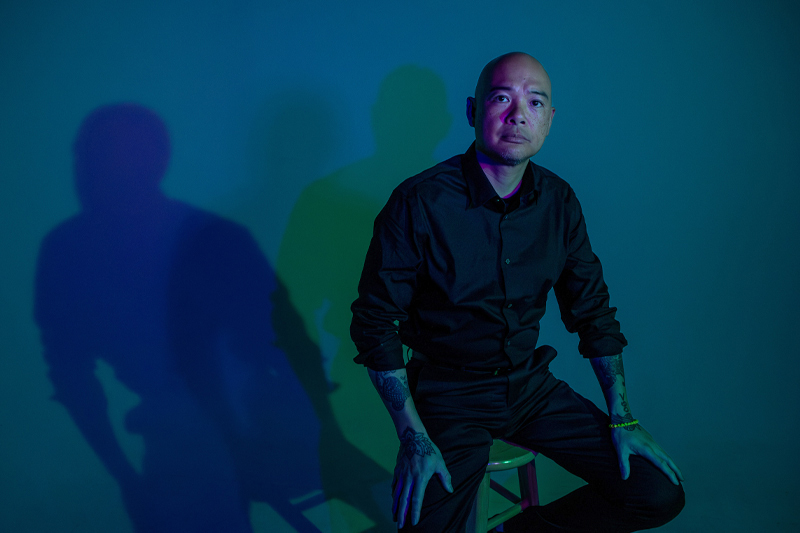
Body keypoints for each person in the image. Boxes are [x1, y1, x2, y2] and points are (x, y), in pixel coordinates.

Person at [350, 52, 685, 532]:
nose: (518, 114)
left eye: (535, 102)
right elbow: (375, 323)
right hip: (449, 397)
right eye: (501, 98)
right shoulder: (419, 203)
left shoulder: (559, 201)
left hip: (530, 388)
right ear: (472, 111)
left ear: (549, 120)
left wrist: (623, 418)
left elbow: (592, 312)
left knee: (657, 493)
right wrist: (414, 440)